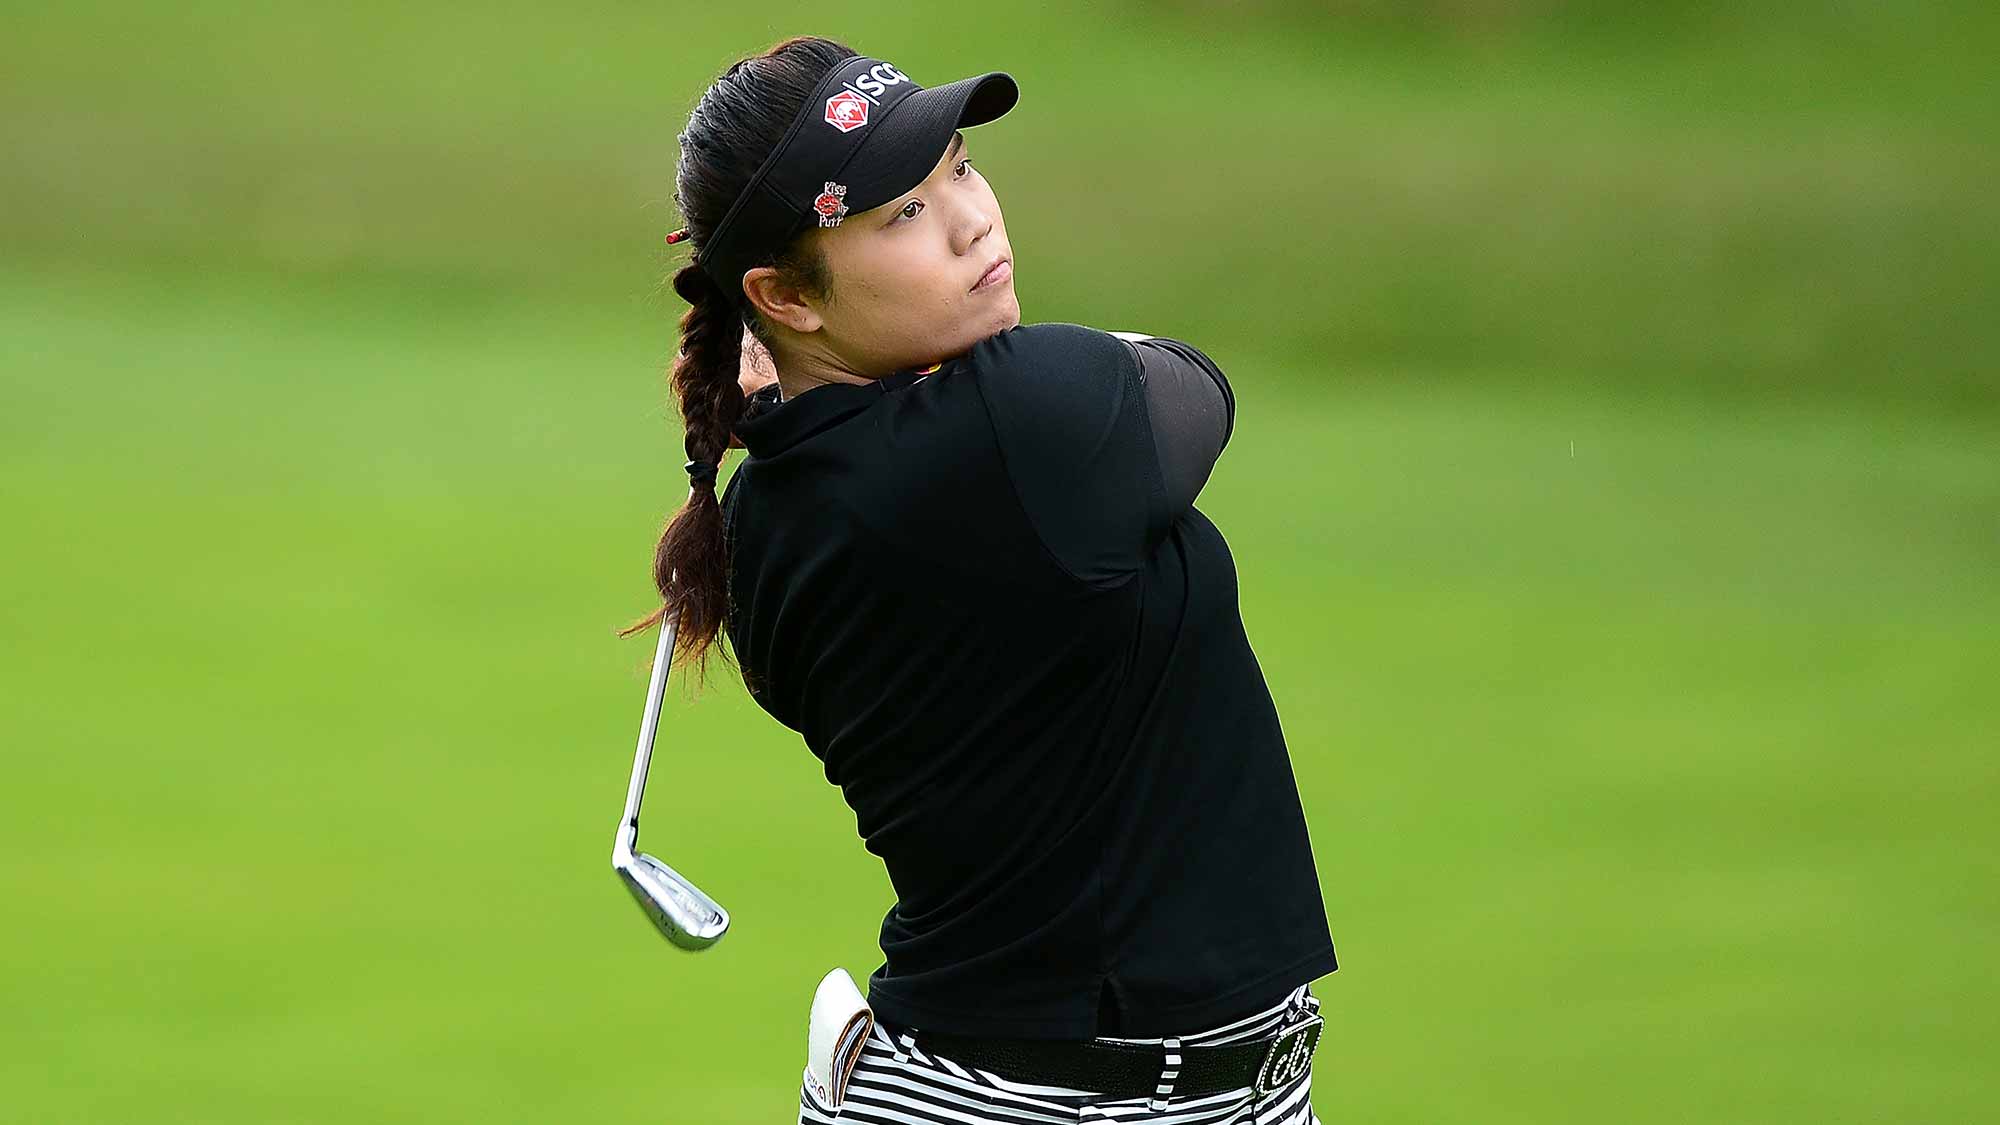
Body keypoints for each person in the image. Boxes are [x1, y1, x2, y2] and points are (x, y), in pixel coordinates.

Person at [626, 36, 1339, 1125]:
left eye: (956, 167)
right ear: (783, 296)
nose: (971, 218)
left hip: (1055, 1085)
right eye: (900, 214)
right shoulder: (1012, 428)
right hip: (1062, 1101)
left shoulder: (760, 519)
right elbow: (1194, 383)